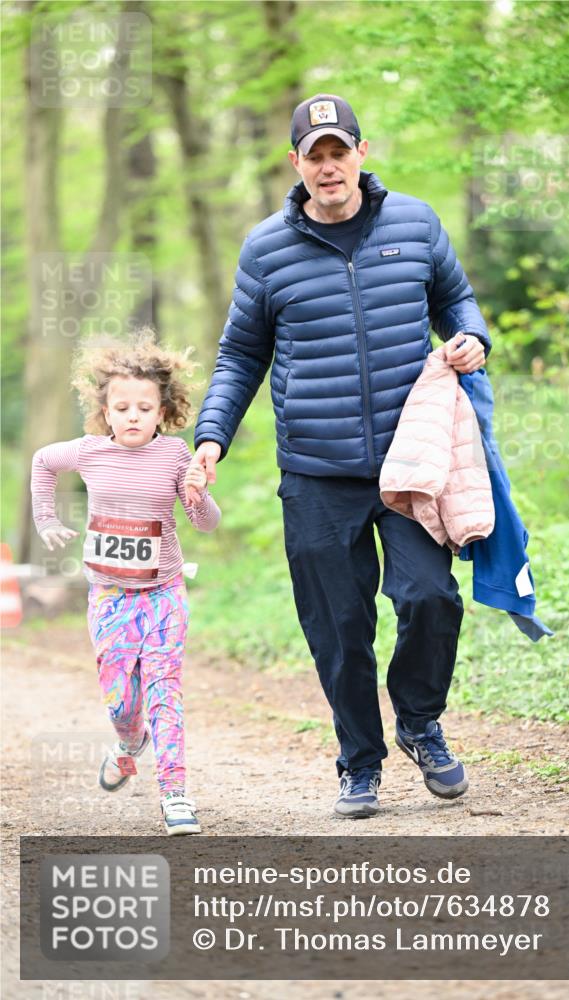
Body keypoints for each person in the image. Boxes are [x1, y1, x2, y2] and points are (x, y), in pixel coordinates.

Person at [189, 94, 491, 819]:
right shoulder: (266, 248)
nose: (328, 166)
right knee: (339, 627)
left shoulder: (414, 223)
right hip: (316, 474)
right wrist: (210, 438)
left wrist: (473, 338)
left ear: (361, 153)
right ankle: (359, 762)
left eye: (339, 151)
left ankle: (418, 721)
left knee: (429, 598)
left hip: (408, 465)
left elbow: (457, 298)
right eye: (314, 155)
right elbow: (240, 355)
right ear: (295, 164)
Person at [31, 329, 220, 835]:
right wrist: (46, 519)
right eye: (122, 407)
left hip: (163, 594)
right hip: (109, 596)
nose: (133, 416)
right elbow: (43, 462)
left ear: (163, 411)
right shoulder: (90, 452)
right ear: (105, 412)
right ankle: (127, 743)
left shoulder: (176, 457)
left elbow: (206, 523)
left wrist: (199, 495)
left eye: (144, 407)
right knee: (121, 703)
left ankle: (175, 794)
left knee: (164, 690)